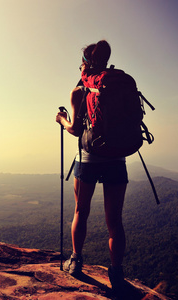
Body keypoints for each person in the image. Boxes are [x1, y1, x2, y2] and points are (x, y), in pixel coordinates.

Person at [55, 40, 127, 291]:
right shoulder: (117, 85)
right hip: (117, 157)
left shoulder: (79, 92)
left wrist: (61, 119)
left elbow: (75, 130)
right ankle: (116, 273)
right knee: (115, 221)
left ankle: (75, 260)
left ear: (85, 64)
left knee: (80, 211)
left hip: (89, 158)